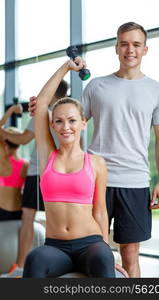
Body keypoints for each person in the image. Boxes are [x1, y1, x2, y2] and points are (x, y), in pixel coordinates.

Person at [80, 22, 159, 277]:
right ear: (116, 48)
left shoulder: (157, 91)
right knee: (95, 252)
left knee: (130, 256)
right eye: (124, 43)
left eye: (136, 44)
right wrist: (43, 108)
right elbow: (72, 124)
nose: (130, 49)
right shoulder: (96, 87)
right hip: (97, 180)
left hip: (135, 181)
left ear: (145, 50)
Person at [23, 59, 116, 278]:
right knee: (34, 258)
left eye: (72, 121)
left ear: (84, 122)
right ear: (52, 125)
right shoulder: (48, 157)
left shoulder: (96, 163)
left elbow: (101, 211)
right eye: (59, 121)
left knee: (103, 259)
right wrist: (66, 67)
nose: (66, 127)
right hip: (56, 247)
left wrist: (108, 253)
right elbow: (43, 102)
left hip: (91, 244)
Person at [0, 80, 69, 278]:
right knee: (57, 218)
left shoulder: (44, 110)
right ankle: (57, 263)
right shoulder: (67, 113)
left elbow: (23, 139)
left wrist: (2, 132)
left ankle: (20, 266)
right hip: (58, 171)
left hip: (39, 172)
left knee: (28, 217)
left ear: (52, 92)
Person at [0, 105, 28, 221]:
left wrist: (11, 110)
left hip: (2, 210)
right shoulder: (26, 165)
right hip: (19, 211)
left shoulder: (3, 160)